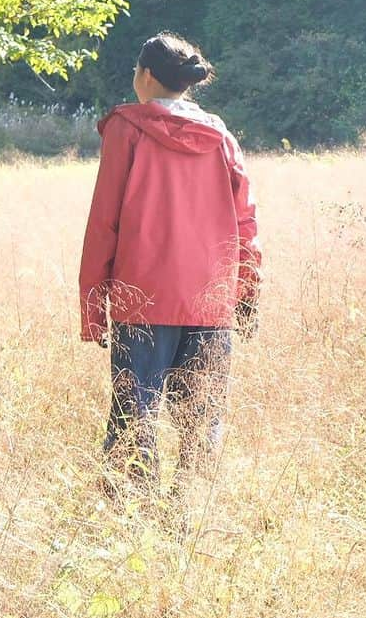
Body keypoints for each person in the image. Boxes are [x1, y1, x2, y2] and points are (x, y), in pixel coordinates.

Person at [79, 32, 261, 502]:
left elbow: (106, 221)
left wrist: (94, 306)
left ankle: (129, 521)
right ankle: (190, 516)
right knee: (201, 420)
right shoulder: (220, 135)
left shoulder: (126, 128)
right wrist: (245, 295)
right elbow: (247, 223)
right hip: (210, 298)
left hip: (143, 296)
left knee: (133, 417)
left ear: (144, 76)